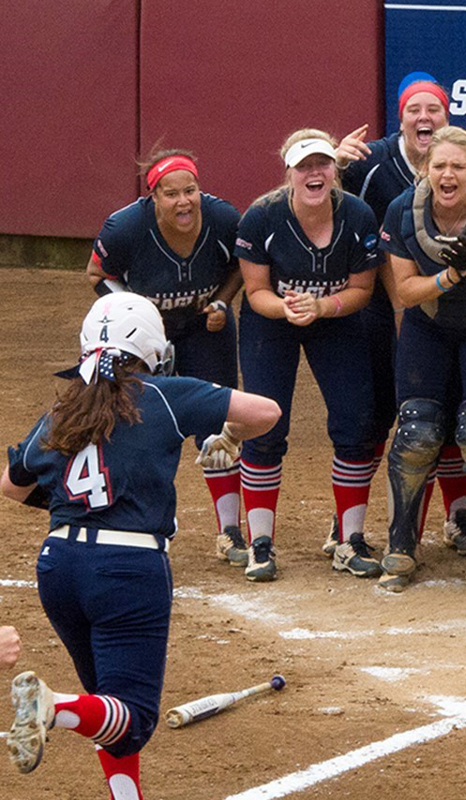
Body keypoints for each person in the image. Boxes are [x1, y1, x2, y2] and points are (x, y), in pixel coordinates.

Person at [2, 293, 278, 797]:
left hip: (59, 565)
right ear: (152, 348)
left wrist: (75, 504)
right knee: (133, 721)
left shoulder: (61, 410)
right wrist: (231, 436)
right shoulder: (163, 393)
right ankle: (53, 706)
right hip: (127, 568)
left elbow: (12, 485)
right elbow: (267, 411)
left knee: (107, 709)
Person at [376, 126, 466, 600]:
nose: (448, 175)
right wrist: (450, 277)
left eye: (458, 166)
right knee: (417, 432)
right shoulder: (402, 211)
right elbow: (405, 292)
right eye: (439, 165)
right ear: (425, 169)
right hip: (427, 326)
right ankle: (401, 545)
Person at [335, 72, 466, 557]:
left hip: (444, 307)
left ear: (446, 118)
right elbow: (312, 198)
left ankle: (460, 515)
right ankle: (345, 526)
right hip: (377, 305)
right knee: (375, 416)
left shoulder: (460, 162)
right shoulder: (370, 162)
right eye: (414, 110)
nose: (424, 117)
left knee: (449, 411)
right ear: (400, 119)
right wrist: (335, 165)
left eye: (433, 109)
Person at [86, 149, 246, 566]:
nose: (183, 202)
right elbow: (96, 274)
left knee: (215, 423)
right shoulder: (125, 227)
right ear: (153, 197)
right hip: (143, 336)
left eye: (190, 191)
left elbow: (243, 266)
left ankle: (230, 530)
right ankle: (131, 523)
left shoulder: (223, 219)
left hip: (204, 326)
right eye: (171, 194)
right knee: (134, 420)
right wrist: (138, 313)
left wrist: (222, 302)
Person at [235, 129, 380, 582]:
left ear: (335, 169)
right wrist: (288, 309)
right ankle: (260, 543)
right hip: (271, 319)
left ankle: (349, 539)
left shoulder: (357, 215)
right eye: (304, 166)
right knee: (264, 423)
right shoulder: (262, 216)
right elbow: (255, 291)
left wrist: (322, 307)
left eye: (322, 163)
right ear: (289, 173)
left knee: (355, 422)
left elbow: (363, 289)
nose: (314, 173)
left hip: (335, 316)